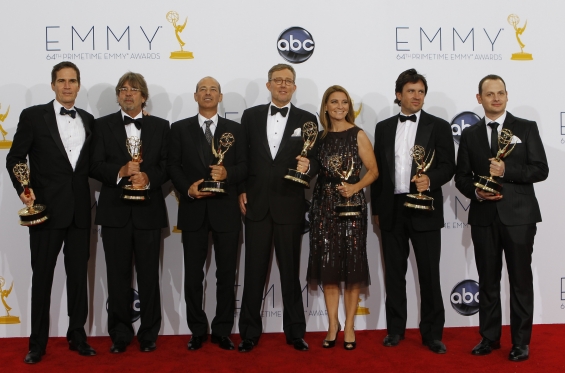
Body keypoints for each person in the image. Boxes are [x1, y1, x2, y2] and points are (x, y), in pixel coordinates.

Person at [6, 61, 96, 364]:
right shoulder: (33, 116)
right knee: (42, 278)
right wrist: (24, 188)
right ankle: (37, 343)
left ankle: (77, 335)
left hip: (81, 211)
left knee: (78, 279)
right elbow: (16, 157)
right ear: (53, 85)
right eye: (61, 81)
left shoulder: (89, 119)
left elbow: (99, 158)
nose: (67, 86)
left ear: (79, 85)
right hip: (45, 212)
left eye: (72, 81)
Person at [455, 75, 548, 362]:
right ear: (478, 98)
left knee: (520, 281)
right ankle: (489, 337)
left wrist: (506, 171)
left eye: (500, 93)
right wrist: (478, 194)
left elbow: (540, 169)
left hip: (519, 217)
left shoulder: (526, 127)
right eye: (489, 94)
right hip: (484, 217)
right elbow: (461, 178)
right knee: (488, 281)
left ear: (507, 96)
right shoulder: (469, 135)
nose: (496, 98)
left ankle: (521, 342)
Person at [371, 68, 455, 354]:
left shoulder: (440, 126)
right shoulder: (383, 127)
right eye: (411, 91)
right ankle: (395, 330)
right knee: (394, 273)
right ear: (399, 95)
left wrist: (429, 180)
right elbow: (378, 172)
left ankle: (432, 334)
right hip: (392, 209)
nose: (416, 96)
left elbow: (448, 165)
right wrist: (377, 209)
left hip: (425, 208)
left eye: (420, 91)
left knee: (429, 275)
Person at [237, 63, 319, 352]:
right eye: (278, 80)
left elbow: (317, 159)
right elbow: (241, 157)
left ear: (294, 87)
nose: (283, 85)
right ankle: (248, 333)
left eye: (288, 81)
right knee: (253, 273)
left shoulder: (307, 119)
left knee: (290, 272)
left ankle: (295, 333)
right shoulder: (250, 116)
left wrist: (309, 167)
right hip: (256, 204)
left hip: (289, 204)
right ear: (268, 84)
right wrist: (241, 189)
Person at [90, 72, 169, 354]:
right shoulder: (101, 126)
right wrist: (120, 172)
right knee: (117, 277)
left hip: (148, 212)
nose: (128, 93)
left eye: (134, 89)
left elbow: (166, 165)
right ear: (118, 95)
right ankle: (120, 334)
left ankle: (149, 333)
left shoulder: (161, 126)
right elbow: (94, 164)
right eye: (123, 89)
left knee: (149, 276)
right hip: (115, 214)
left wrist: (147, 178)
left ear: (143, 96)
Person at [167, 77, 247, 351]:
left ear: (220, 96)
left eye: (213, 89)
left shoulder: (235, 130)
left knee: (226, 274)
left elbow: (246, 166)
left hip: (226, 212)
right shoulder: (178, 129)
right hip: (193, 210)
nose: (208, 93)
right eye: (203, 89)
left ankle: (222, 330)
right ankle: (197, 330)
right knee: (193, 275)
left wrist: (228, 173)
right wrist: (187, 189)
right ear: (195, 96)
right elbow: (172, 166)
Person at [306, 85, 378, 350]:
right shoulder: (319, 138)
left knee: (352, 266)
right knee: (329, 268)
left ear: (349, 106)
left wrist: (356, 187)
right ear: (325, 106)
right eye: (334, 102)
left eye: (344, 102)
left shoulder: (358, 135)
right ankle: (332, 324)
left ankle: (349, 326)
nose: (339, 106)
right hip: (323, 206)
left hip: (352, 206)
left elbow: (373, 171)